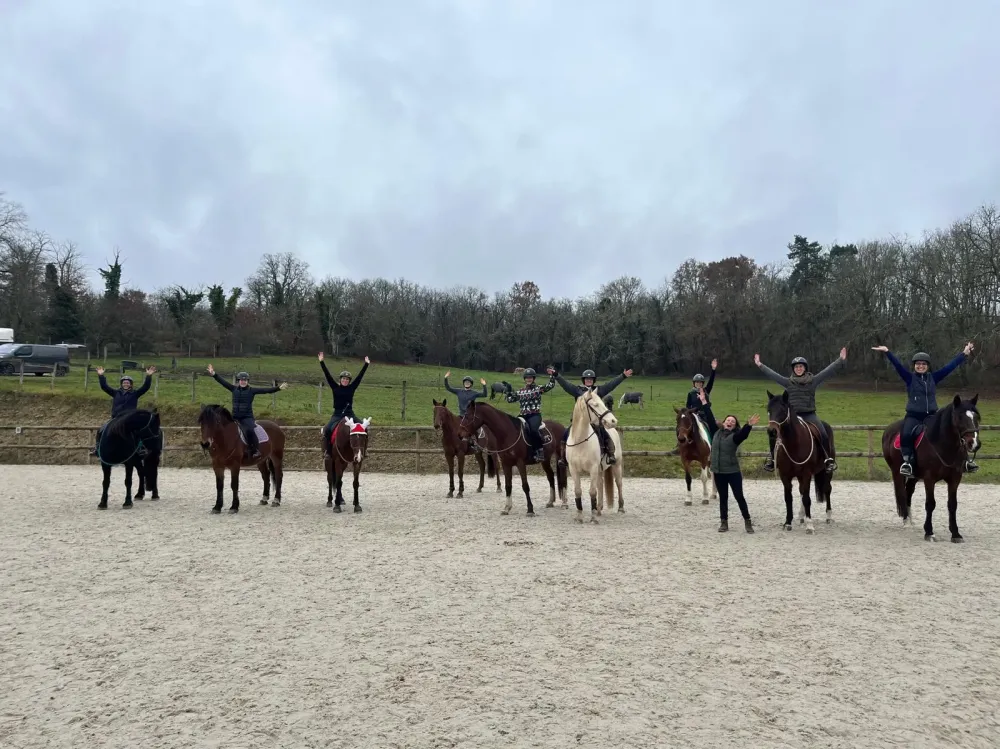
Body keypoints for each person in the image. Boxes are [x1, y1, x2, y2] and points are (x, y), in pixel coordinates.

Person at [871, 342, 976, 476]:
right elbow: (897, 366)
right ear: (914, 366)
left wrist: (964, 354)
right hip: (913, 416)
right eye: (918, 364)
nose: (921, 366)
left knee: (953, 432)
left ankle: (965, 461)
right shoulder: (909, 378)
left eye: (923, 364)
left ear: (927, 366)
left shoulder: (933, 378)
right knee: (906, 434)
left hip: (931, 416)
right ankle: (908, 462)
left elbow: (949, 367)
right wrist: (887, 352)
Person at [754, 348, 847, 473]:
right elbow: (773, 375)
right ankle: (772, 459)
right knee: (774, 433)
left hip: (809, 414)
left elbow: (827, 371)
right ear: (793, 369)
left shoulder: (813, 381)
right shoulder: (788, 382)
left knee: (823, 433)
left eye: (801, 366)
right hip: (793, 416)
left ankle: (828, 459)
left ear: (805, 368)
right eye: (796, 367)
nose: (798, 368)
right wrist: (760, 365)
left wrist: (840, 360)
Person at [550, 366, 632, 466]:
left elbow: (611, 385)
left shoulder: (598, 391)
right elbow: (565, 384)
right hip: (579, 421)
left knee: (605, 434)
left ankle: (610, 454)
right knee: (565, 435)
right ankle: (563, 458)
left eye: (591, 379)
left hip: (594, 421)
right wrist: (556, 375)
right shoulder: (577, 390)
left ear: (593, 380)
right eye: (587, 379)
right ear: (583, 380)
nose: (589, 380)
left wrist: (623, 376)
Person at [207, 364, 287, 460]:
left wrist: (278, 388)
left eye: (245, 380)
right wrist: (214, 374)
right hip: (234, 417)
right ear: (239, 381)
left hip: (247, 418)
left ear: (247, 381)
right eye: (241, 380)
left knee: (249, 430)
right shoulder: (233, 389)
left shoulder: (252, 391)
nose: (243, 381)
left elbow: (265, 390)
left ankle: (255, 450)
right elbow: (222, 382)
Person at [707, 394, 760, 534]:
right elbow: (709, 416)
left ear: (734, 426)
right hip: (718, 472)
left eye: (733, 421)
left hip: (732, 472)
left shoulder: (735, 437)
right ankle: (724, 522)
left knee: (739, 497)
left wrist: (748, 425)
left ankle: (747, 521)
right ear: (724, 422)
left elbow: (743, 435)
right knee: (723, 498)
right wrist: (704, 402)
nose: (730, 422)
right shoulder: (716, 432)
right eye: (728, 420)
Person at [90, 365, 156, 456]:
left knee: (138, 431)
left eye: (128, 383)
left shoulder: (135, 394)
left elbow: (145, 387)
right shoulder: (115, 393)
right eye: (124, 382)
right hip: (116, 418)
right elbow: (104, 387)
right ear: (121, 384)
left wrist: (149, 376)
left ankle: (140, 448)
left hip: (129, 419)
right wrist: (101, 375)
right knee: (101, 430)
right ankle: (97, 449)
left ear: (131, 384)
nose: (126, 384)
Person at [319, 353, 370, 454]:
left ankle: (364, 450)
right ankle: (327, 451)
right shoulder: (335, 387)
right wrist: (322, 362)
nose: (345, 380)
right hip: (337, 414)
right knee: (327, 429)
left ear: (349, 381)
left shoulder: (352, 388)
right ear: (340, 379)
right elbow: (327, 375)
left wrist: (366, 364)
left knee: (364, 428)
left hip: (350, 414)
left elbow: (359, 377)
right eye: (343, 378)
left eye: (347, 379)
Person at [504, 367, 557, 461]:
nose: (528, 379)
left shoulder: (538, 389)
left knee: (533, 430)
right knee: (513, 428)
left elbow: (550, 385)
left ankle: (539, 451)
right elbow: (510, 400)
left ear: (533, 378)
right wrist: (508, 390)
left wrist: (552, 375)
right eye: (527, 378)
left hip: (534, 415)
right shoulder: (521, 391)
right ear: (524, 379)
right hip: (523, 415)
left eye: (530, 377)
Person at [444, 371, 488, 450]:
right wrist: (445, 378)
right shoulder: (459, 391)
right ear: (463, 383)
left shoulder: (474, 393)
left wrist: (484, 385)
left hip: (470, 417)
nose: (467, 383)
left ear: (471, 384)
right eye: (465, 382)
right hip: (461, 415)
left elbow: (485, 394)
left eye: (468, 382)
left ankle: (476, 443)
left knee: (474, 429)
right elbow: (448, 388)